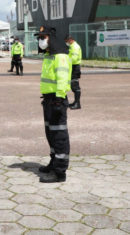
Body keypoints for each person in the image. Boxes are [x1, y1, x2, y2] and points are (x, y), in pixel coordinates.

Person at [35, 24, 72, 183]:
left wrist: (58, 99)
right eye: (40, 38)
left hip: (56, 100)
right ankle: (53, 162)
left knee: (59, 135)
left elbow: (63, 78)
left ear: (51, 38)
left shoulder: (60, 56)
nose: (41, 41)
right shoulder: (50, 54)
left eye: (43, 37)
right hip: (49, 99)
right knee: (50, 133)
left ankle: (59, 172)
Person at [65, 35, 82, 110]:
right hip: (73, 67)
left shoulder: (75, 47)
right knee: (73, 85)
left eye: (67, 41)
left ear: (70, 40)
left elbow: (74, 59)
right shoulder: (72, 46)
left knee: (75, 86)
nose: (66, 43)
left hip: (75, 67)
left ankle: (77, 103)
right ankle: (75, 102)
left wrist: (66, 61)